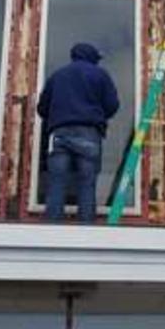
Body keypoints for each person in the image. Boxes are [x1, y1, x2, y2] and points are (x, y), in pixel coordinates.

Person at [38, 42, 120, 222]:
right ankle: (86, 227)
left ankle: (52, 227)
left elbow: (42, 108)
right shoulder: (100, 74)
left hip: (59, 133)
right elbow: (112, 105)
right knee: (87, 183)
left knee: (56, 182)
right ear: (92, 57)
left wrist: (57, 116)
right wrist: (97, 115)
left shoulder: (58, 76)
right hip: (88, 133)